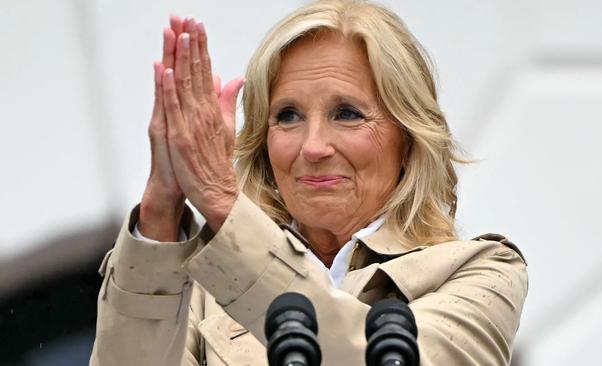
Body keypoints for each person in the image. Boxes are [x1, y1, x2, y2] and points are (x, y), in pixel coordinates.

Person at [90, 1, 528, 365]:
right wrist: (162, 206)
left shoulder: (480, 272)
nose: (314, 147)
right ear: (264, 142)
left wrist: (223, 203)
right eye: (288, 116)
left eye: (347, 114)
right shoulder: (204, 286)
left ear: (410, 138)